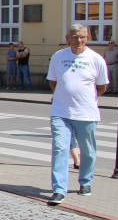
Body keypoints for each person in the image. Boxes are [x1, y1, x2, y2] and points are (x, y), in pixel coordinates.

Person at [46, 24, 108, 205]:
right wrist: (64, 96)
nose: (78, 40)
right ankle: (59, 189)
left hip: (86, 113)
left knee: (87, 150)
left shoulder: (96, 59)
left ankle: (86, 181)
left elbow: (102, 87)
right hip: (61, 112)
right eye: (75, 37)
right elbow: (53, 82)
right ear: (68, 38)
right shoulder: (59, 57)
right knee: (60, 148)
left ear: (87, 38)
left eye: (82, 37)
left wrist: (84, 97)